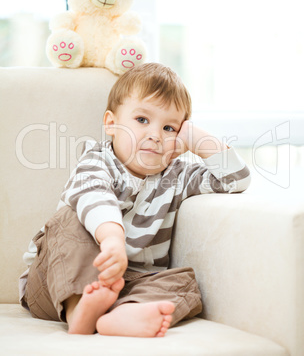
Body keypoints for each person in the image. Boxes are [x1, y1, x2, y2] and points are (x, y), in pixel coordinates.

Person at [19, 62, 251, 337]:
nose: (155, 135)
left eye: (169, 128)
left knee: (185, 282)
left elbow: (235, 180)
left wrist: (197, 138)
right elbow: (95, 197)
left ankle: (119, 316)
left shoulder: (178, 177)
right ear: (111, 124)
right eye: (142, 120)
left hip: (129, 283)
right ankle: (78, 309)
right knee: (69, 216)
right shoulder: (96, 160)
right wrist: (112, 240)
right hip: (55, 282)